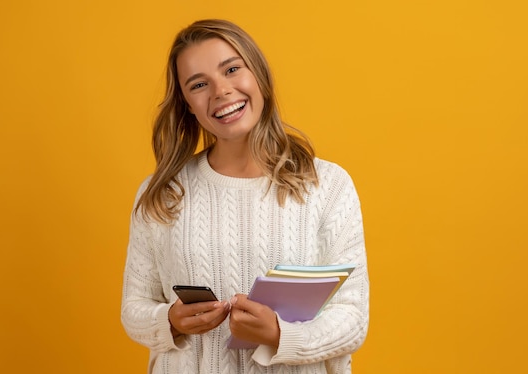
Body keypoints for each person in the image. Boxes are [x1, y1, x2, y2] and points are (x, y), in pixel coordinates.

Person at [121, 19, 369, 373]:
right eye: (199, 84)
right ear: (187, 103)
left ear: (259, 76)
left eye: (232, 69)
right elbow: (134, 308)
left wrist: (280, 335)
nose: (221, 91)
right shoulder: (162, 192)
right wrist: (171, 320)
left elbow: (353, 317)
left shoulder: (327, 185)